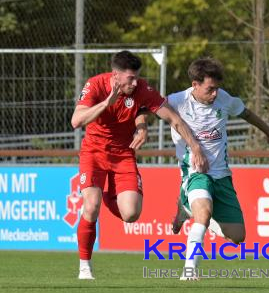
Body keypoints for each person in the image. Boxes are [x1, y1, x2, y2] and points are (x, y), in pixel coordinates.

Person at [71, 50, 208, 280]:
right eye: (130, 78)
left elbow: (173, 118)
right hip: (93, 153)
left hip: (124, 155)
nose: (135, 83)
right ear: (115, 76)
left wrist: (195, 146)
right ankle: (85, 266)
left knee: (131, 214)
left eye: (137, 78)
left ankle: (106, 195)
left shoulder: (142, 89)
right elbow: (76, 121)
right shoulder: (95, 85)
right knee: (90, 206)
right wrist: (107, 102)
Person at [167, 57, 269, 281]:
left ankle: (186, 209)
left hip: (222, 176)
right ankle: (189, 269)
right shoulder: (176, 101)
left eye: (217, 89)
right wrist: (140, 128)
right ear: (195, 85)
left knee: (237, 237)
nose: (215, 94)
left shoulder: (223, 99)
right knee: (204, 213)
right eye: (210, 89)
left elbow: (246, 113)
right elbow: (147, 107)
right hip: (195, 172)